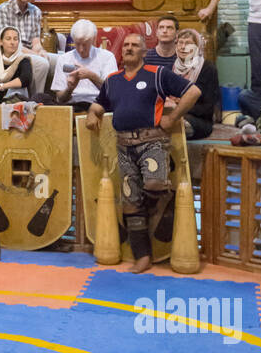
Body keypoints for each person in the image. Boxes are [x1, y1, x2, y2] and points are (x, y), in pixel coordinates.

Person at [86, 33, 201, 273]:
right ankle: (143, 256)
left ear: (143, 51)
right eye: (125, 45)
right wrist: (92, 112)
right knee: (130, 203)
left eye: (134, 45)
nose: (128, 48)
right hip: (123, 147)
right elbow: (100, 103)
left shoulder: (157, 74)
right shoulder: (112, 80)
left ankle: (148, 210)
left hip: (153, 143)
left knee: (156, 184)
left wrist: (173, 117)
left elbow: (193, 92)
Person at [52, 18, 117, 109]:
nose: (81, 49)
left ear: (94, 40)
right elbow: (60, 98)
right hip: (72, 104)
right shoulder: (64, 59)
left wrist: (91, 76)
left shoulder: (107, 57)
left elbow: (112, 93)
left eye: (85, 44)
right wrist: (70, 89)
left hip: (97, 104)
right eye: (77, 44)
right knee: (40, 98)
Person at [172, 28, 219, 139]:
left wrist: (182, 105)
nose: (183, 47)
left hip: (198, 120)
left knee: (176, 125)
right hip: (171, 114)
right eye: (180, 43)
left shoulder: (207, 68)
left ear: (197, 47)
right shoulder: (171, 67)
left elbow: (208, 108)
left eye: (188, 44)